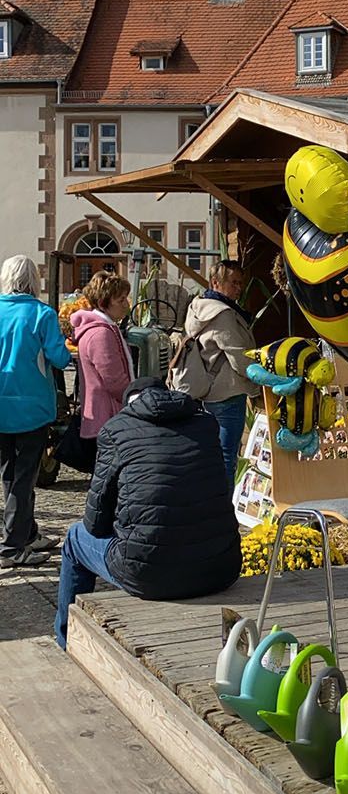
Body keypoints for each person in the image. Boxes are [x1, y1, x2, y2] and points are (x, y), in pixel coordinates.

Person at [54, 376, 242, 649]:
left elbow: (94, 523)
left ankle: (65, 639)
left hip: (150, 575)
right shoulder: (206, 424)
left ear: (128, 404)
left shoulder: (115, 430)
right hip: (220, 568)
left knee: (74, 539)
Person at [0, 254, 71, 568]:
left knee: (9, 473)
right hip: (31, 405)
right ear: (33, 280)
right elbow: (60, 359)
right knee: (24, 477)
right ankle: (12, 547)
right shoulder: (42, 314)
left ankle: (26, 533)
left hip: (2, 403)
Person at [183, 260, 259, 490]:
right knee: (226, 457)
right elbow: (239, 358)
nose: (239, 288)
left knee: (211, 456)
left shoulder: (198, 307)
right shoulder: (222, 313)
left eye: (240, 283)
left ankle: (210, 502)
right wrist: (261, 381)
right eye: (233, 283)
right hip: (228, 392)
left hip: (207, 391)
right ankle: (223, 505)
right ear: (216, 282)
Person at [70, 271, 134, 462]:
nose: (126, 304)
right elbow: (114, 380)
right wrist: (133, 399)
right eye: (120, 300)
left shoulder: (104, 328)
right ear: (103, 302)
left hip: (105, 415)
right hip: (106, 416)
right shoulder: (100, 334)